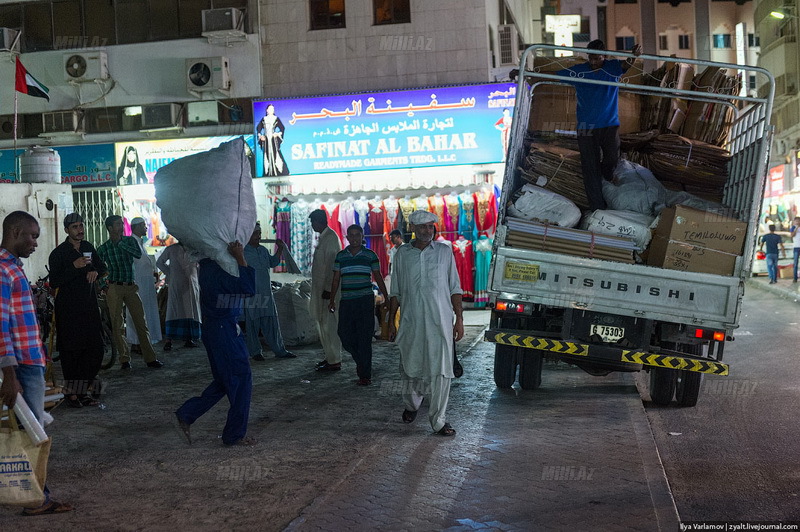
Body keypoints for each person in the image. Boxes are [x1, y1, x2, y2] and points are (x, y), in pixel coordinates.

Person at [0, 211, 74, 516]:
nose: (34, 243)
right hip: (21, 367)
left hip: (29, 362)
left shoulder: (13, 268)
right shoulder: (3, 271)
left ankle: (35, 494)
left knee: (32, 431)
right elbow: (0, 325)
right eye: (31, 236)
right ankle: (36, 499)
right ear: (15, 232)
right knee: (33, 434)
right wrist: (9, 375)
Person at [388, 210, 464, 437]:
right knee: (410, 368)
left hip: (440, 322)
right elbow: (396, 292)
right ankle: (412, 405)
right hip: (411, 322)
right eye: (422, 227)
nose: (427, 231)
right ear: (412, 228)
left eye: (430, 226)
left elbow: (455, 288)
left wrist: (459, 320)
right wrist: (391, 322)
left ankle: (438, 420)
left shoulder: (444, 252)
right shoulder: (402, 254)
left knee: (442, 371)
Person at [175, 241, 257, 446]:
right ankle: (234, 434)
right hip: (224, 331)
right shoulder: (217, 270)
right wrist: (240, 258)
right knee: (241, 377)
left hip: (217, 329)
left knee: (224, 379)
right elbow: (247, 288)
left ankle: (186, 414)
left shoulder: (209, 267)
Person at [557, 40, 642, 211]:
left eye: (597, 58)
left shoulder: (612, 68)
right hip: (586, 127)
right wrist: (526, 72)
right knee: (590, 168)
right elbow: (551, 74)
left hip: (609, 124)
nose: (594, 62)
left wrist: (634, 55)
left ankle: (607, 175)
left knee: (612, 157)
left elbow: (627, 64)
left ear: (605, 56)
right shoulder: (579, 71)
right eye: (591, 58)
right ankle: (597, 207)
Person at [48, 213, 106, 408]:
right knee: (71, 351)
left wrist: (95, 271)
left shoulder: (88, 247)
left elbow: (102, 268)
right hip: (68, 309)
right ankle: (76, 395)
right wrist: (74, 266)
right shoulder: (59, 253)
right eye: (75, 227)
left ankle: (75, 390)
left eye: (81, 226)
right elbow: (54, 281)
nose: (80, 230)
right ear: (67, 230)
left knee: (96, 348)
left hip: (89, 306)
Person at [97, 215, 163, 370]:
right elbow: (98, 268)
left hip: (131, 286)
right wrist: (103, 285)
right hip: (114, 287)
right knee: (117, 324)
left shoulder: (129, 241)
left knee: (141, 322)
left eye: (121, 224)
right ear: (110, 228)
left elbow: (137, 254)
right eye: (118, 224)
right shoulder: (104, 248)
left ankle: (150, 358)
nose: (121, 227)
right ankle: (124, 359)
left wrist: (120, 243)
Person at [328, 224, 389, 386]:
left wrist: (386, 296)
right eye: (351, 235)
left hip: (365, 301)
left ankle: (365, 375)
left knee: (364, 337)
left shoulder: (370, 255)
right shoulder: (341, 256)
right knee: (344, 334)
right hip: (347, 301)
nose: (354, 238)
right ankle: (360, 361)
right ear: (347, 237)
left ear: (362, 237)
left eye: (357, 235)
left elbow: (378, 276)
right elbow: (336, 279)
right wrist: (332, 299)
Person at [243, 222, 295, 360]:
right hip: (252, 293)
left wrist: (280, 249)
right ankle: (255, 352)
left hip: (266, 292)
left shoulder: (263, 250)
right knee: (253, 323)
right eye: (255, 234)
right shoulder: (243, 252)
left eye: (259, 233)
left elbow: (273, 262)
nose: (258, 236)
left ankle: (279, 350)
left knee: (271, 321)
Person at [309, 209, 343, 372]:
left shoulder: (330, 239)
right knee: (323, 325)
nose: (311, 226)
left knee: (329, 326)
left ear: (318, 222)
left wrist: (330, 290)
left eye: (312, 222)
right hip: (321, 289)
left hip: (328, 291)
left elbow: (332, 267)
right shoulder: (324, 238)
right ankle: (330, 357)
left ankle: (334, 360)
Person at [125, 217, 162, 354]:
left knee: (144, 312)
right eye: (143, 226)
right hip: (138, 284)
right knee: (138, 313)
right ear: (136, 227)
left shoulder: (140, 243)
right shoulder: (131, 242)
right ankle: (137, 342)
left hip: (145, 283)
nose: (146, 228)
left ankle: (141, 342)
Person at [156, 242, 201, 351]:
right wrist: (170, 273)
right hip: (177, 284)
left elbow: (199, 265)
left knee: (189, 310)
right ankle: (169, 340)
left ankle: (188, 338)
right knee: (174, 311)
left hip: (191, 285)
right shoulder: (172, 249)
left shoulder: (195, 249)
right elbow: (159, 262)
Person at [256, 104, 289, 177]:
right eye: (270, 109)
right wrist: (260, 136)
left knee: (276, 155)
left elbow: (282, 128)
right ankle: (268, 174)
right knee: (267, 157)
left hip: (273, 141)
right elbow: (258, 128)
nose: (271, 110)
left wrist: (277, 134)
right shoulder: (264, 119)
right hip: (267, 141)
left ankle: (280, 172)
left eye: (272, 109)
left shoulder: (276, 118)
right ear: (267, 110)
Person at [790, 216, 800, 282]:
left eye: (798, 221)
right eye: (796, 221)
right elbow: (792, 235)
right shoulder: (793, 228)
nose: (797, 222)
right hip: (796, 247)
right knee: (795, 263)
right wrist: (796, 228)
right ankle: (795, 278)